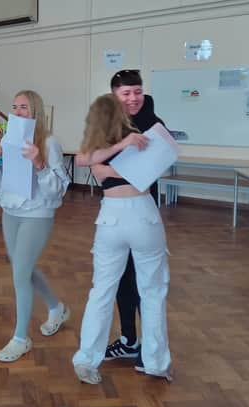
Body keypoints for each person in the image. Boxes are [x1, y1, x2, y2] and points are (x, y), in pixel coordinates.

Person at [72, 93, 172, 384]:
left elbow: (96, 167)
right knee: (152, 291)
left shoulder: (100, 145)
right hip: (143, 214)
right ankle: (155, 362)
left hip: (111, 217)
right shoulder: (135, 139)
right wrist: (126, 151)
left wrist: (111, 167)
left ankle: (87, 358)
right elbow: (85, 162)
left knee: (101, 290)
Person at [0, 90, 70, 362]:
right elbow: (0, 183)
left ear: (35, 112)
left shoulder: (49, 142)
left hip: (37, 213)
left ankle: (21, 338)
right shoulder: (9, 140)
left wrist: (39, 163)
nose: (17, 112)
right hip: (10, 210)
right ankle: (57, 308)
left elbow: (58, 189)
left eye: (24, 107)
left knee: (20, 274)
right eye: (14, 107)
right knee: (24, 269)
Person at [103, 70, 168, 369]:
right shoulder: (108, 123)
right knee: (121, 280)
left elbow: (149, 170)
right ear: (115, 95)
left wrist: (109, 167)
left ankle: (150, 351)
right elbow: (93, 164)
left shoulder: (155, 125)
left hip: (143, 213)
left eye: (137, 92)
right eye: (126, 93)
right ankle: (129, 339)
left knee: (147, 284)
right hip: (114, 215)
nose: (133, 98)